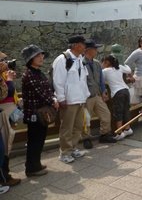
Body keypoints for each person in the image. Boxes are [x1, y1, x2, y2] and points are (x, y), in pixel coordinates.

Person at [21, 45, 59, 177]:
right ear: (30, 59)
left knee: (40, 139)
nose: (41, 57)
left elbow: (47, 89)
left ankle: (35, 164)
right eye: (37, 55)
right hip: (34, 114)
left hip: (41, 113)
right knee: (34, 140)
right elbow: (40, 92)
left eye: (41, 55)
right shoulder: (29, 74)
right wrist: (53, 100)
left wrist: (52, 97)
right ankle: (32, 168)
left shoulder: (38, 72)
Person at [52, 35, 90, 164]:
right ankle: (65, 152)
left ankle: (72, 147)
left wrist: (85, 96)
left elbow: (83, 80)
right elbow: (58, 81)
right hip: (69, 100)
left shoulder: (80, 59)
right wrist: (61, 98)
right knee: (67, 127)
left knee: (78, 126)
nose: (85, 46)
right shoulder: (62, 59)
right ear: (75, 45)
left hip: (79, 99)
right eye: (83, 44)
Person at [81, 39, 116, 149]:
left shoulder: (96, 63)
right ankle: (86, 138)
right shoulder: (80, 63)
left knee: (106, 114)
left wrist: (104, 92)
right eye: (95, 49)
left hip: (97, 94)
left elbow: (101, 80)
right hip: (86, 95)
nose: (96, 51)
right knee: (86, 118)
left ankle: (104, 134)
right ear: (88, 50)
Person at [0, 54, 21, 186]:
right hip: (3, 111)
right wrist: (9, 79)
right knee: (5, 143)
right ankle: (4, 177)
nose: (5, 62)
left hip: (8, 110)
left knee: (7, 142)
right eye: (2, 60)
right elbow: (6, 93)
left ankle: (5, 175)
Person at [102, 55, 133, 140]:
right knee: (126, 110)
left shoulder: (105, 71)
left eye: (103, 62)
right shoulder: (119, 67)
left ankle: (119, 132)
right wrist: (125, 64)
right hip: (126, 90)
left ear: (106, 62)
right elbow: (129, 70)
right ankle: (127, 128)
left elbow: (101, 80)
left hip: (117, 92)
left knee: (118, 112)